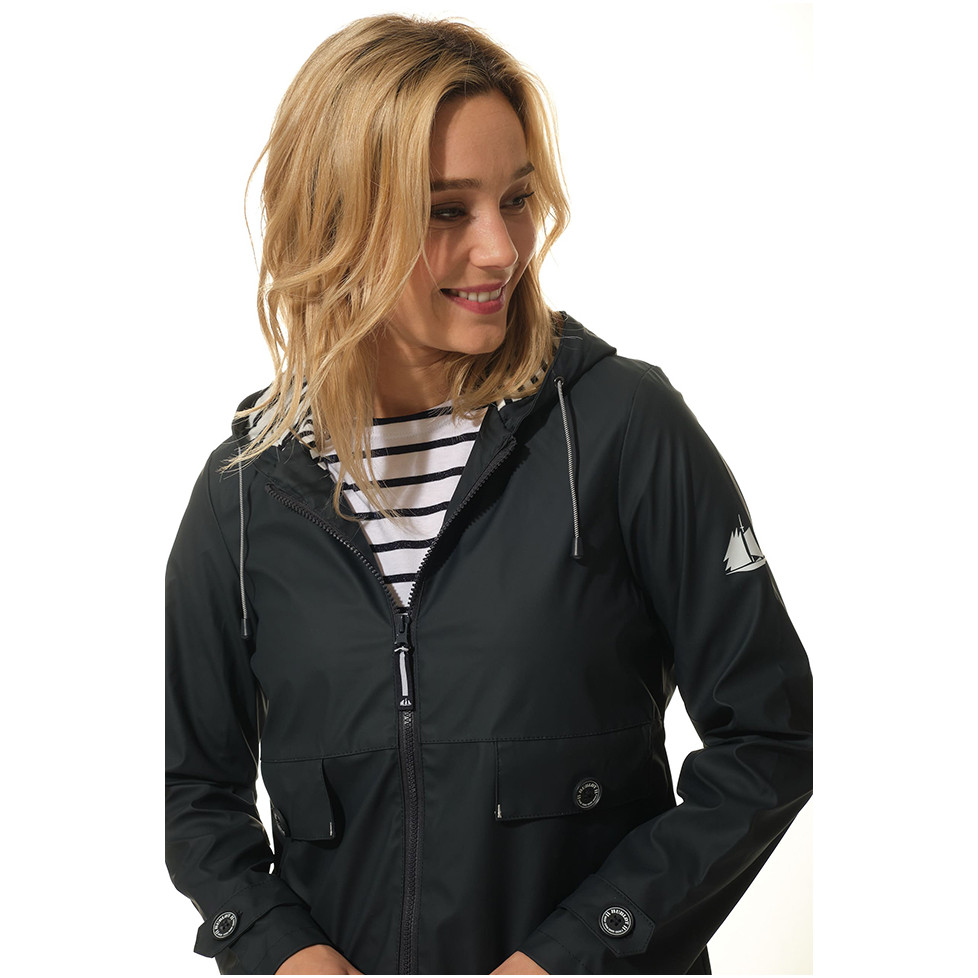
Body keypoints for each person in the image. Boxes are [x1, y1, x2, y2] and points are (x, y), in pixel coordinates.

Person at [165, 14, 813, 976]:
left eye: (515, 199)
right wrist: (287, 954)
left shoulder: (620, 430)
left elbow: (770, 735)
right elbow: (197, 800)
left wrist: (573, 958)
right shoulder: (246, 500)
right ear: (336, 221)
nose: (502, 248)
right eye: (444, 211)